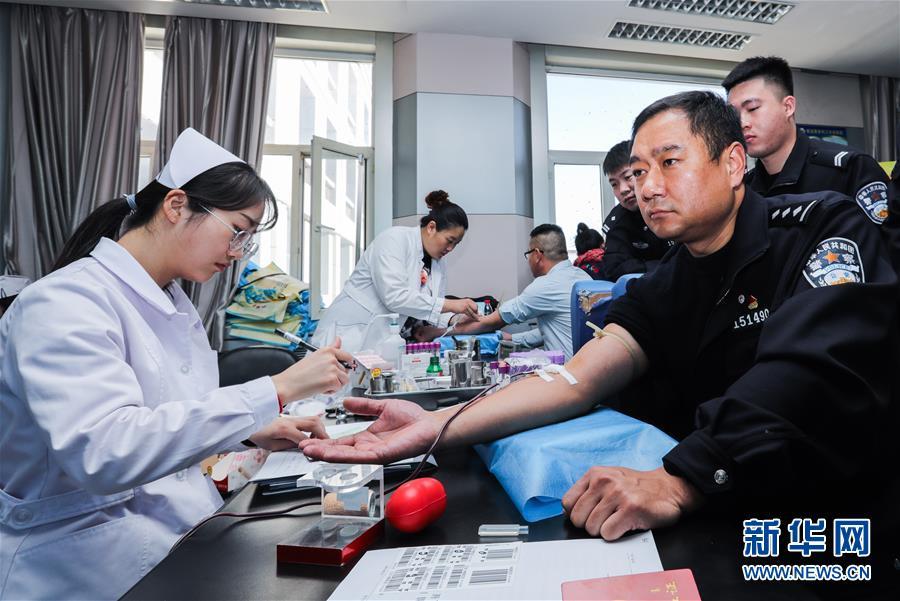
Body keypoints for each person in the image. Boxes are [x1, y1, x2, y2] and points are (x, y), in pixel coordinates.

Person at [300, 93, 899, 562]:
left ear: (734, 163)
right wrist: (435, 425)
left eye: (670, 163)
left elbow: (805, 377)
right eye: (638, 172)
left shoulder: (822, 228)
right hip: (728, 511)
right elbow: (576, 378)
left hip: (835, 528)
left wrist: (679, 481)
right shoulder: (673, 277)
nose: (647, 188)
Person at [0, 129, 355, 601]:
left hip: (172, 533)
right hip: (79, 561)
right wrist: (274, 390)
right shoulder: (65, 301)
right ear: (175, 205)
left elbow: (170, 412)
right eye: (238, 231)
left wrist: (248, 431)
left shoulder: (171, 301)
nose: (237, 253)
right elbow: (106, 451)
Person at [723, 56, 891, 226]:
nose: (742, 123)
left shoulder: (851, 169)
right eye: (734, 115)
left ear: (788, 107)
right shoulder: (744, 188)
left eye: (752, 108)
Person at [311, 190, 478, 352]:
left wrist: (455, 318)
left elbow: (429, 307)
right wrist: (451, 304)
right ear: (431, 227)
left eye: (456, 244)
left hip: (379, 342)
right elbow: (394, 296)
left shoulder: (438, 265)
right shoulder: (394, 240)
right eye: (449, 240)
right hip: (348, 334)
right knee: (336, 369)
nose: (450, 248)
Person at [452, 224, 590, 360]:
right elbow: (559, 329)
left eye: (528, 254)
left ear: (537, 255)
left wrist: (443, 331)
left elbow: (491, 322)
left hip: (567, 370)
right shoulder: (584, 276)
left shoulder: (546, 285)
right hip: (590, 366)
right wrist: (512, 338)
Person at [600, 140, 673, 281]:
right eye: (614, 184)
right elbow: (614, 269)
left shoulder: (674, 201)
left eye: (628, 177)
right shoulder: (618, 223)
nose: (623, 189)